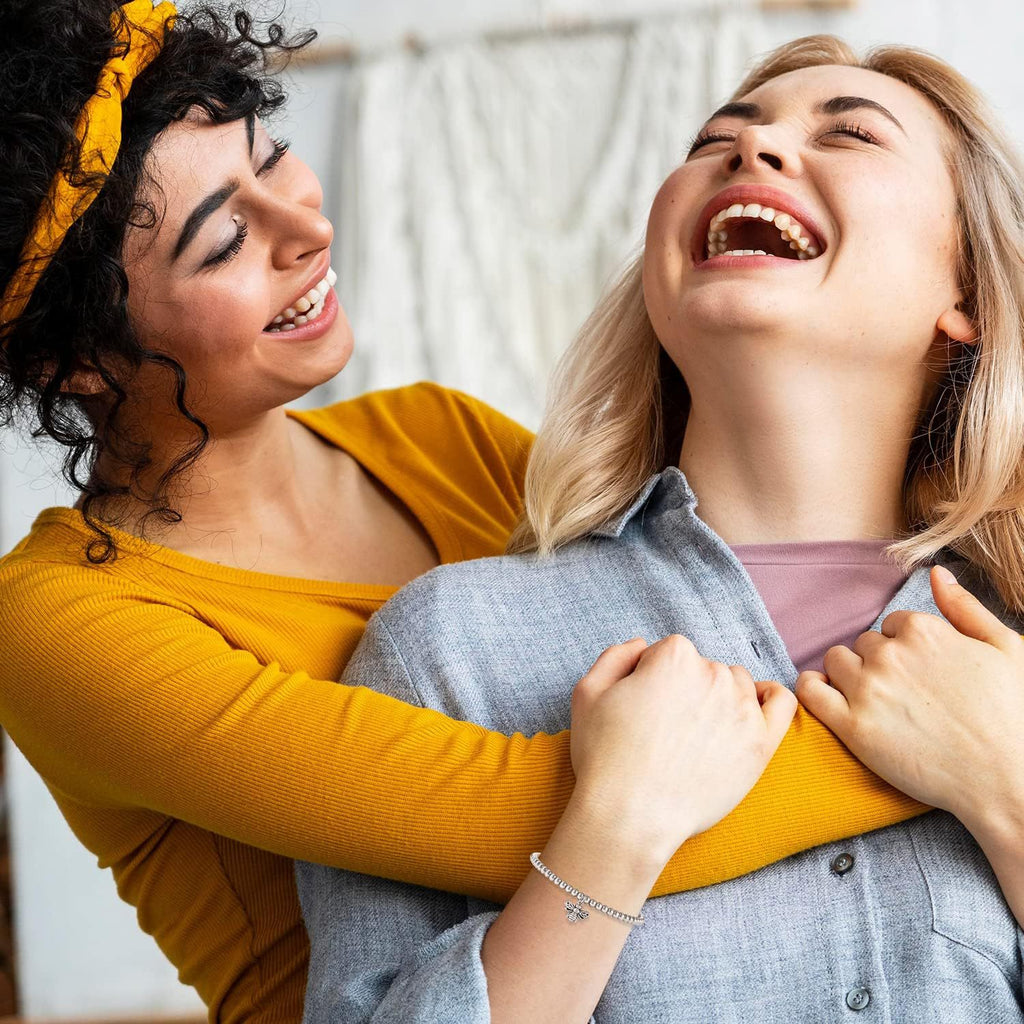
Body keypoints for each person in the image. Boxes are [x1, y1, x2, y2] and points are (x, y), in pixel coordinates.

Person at [0, 3, 949, 1020]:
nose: (309, 231)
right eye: (227, 238)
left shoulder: (435, 437)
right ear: (77, 360)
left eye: (272, 162)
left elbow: (740, 550)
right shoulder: (54, 626)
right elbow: (531, 812)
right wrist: (969, 737)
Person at [296, 33, 1024, 1024]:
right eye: (715, 139)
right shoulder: (448, 652)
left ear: (966, 295)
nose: (753, 151)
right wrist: (610, 834)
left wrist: (1011, 795)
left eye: (848, 134)